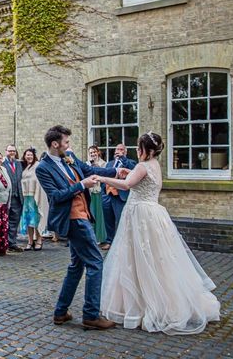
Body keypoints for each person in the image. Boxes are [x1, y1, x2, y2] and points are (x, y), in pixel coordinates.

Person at [94, 132, 220, 335]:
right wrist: (129, 171)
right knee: (157, 258)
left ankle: (142, 306)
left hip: (140, 215)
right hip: (153, 213)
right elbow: (139, 180)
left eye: (139, 147)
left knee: (138, 258)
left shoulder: (143, 166)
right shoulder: (153, 165)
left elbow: (127, 185)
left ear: (147, 149)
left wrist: (101, 177)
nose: (137, 150)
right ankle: (159, 300)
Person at [35, 125, 125, 330]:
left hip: (83, 214)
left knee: (76, 266)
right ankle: (91, 315)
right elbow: (56, 197)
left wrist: (116, 171)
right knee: (95, 262)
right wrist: (81, 185)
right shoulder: (43, 168)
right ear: (55, 144)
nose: (69, 145)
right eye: (66, 142)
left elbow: (91, 170)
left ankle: (60, 312)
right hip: (73, 219)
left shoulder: (70, 157)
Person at [101, 143, 137, 251]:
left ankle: (122, 242)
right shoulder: (109, 164)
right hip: (107, 195)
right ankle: (109, 241)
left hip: (120, 196)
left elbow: (133, 171)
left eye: (121, 150)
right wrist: (104, 191)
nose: (118, 151)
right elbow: (104, 176)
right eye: (117, 149)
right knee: (108, 220)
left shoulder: (130, 163)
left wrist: (123, 158)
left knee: (121, 220)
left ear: (125, 152)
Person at [19, 147, 43, 251]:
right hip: (26, 197)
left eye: (31, 155)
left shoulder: (38, 165)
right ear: (24, 156)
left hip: (35, 196)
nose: (29, 157)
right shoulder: (24, 167)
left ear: (34, 156)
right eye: (27, 155)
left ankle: (39, 240)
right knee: (28, 219)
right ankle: (30, 241)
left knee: (37, 219)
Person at [3, 144, 24, 252]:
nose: (12, 153)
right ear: (6, 151)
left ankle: (12, 243)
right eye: (10, 151)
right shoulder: (1, 163)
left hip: (18, 197)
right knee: (4, 220)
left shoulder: (19, 164)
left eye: (13, 151)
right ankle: (3, 242)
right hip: (6, 197)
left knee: (14, 221)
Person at [86, 145, 107, 245]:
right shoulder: (86, 164)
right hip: (89, 192)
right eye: (91, 153)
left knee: (99, 215)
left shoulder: (103, 164)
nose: (93, 154)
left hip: (99, 192)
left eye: (94, 152)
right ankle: (91, 236)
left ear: (98, 152)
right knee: (91, 214)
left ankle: (99, 237)